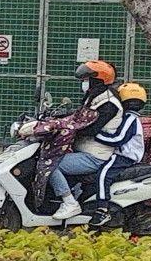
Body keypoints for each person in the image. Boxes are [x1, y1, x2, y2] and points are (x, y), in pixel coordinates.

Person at [47, 60, 130, 220]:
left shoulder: (109, 104)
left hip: (95, 155)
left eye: (86, 80)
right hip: (84, 150)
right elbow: (79, 117)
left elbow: (90, 128)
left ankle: (69, 202)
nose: (84, 84)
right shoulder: (94, 97)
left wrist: (64, 128)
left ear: (98, 80)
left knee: (51, 165)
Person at [103, 81, 149, 193]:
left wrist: (97, 136)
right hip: (127, 155)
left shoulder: (129, 118)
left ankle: (102, 204)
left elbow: (118, 139)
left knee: (104, 175)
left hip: (124, 156)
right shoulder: (131, 117)